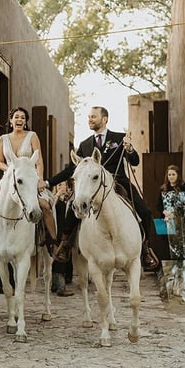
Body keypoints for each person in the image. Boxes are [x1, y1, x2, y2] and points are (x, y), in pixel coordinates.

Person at [44, 105, 159, 271]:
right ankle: (65, 244)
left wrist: (129, 149)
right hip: (92, 185)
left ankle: (146, 249)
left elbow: (134, 161)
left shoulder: (120, 138)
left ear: (104, 119)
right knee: (74, 208)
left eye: (93, 117)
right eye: (89, 117)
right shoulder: (85, 144)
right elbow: (71, 170)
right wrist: (48, 183)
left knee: (145, 211)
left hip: (117, 182)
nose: (90, 119)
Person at [0, 107, 57, 252]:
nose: (20, 120)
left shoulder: (32, 136)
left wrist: (40, 180)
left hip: (29, 181)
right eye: (16, 117)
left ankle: (53, 242)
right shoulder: (2, 139)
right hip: (9, 180)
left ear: (25, 122)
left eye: (23, 118)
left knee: (45, 206)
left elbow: (39, 161)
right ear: (11, 120)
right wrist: (11, 171)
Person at [51, 181, 74, 297]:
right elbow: (50, 209)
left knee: (61, 259)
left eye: (62, 184)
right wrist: (57, 196)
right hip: (57, 233)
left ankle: (55, 284)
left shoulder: (68, 200)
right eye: (58, 185)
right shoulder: (55, 200)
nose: (60, 186)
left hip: (66, 233)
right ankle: (61, 287)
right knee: (59, 259)